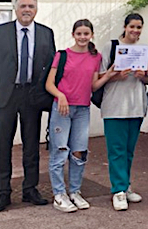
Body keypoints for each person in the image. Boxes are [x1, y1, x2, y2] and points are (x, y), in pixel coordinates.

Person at [0, 0, 57, 212]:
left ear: (36, 10)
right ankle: (3, 192)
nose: (27, 9)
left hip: (32, 96)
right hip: (5, 96)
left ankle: (30, 189)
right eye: (23, 6)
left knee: (31, 145)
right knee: (3, 146)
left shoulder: (45, 33)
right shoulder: (1, 32)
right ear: (16, 9)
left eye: (31, 6)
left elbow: (52, 67)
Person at [92, 13, 148, 211]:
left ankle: (125, 186)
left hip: (136, 105)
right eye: (132, 27)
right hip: (114, 106)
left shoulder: (145, 50)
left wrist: (143, 75)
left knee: (129, 150)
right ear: (125, 27)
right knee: (116, 150)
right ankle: (118, 190)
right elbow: (100, 76)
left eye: (139, 27)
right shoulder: (111, 47)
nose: (135, 31)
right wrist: (115, 75)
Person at [44, 19, 103, 213]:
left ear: (91, 35)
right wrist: (60, 95)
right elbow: (49, 84)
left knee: (79, 152)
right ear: (73, 35)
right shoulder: (61, 56)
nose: (83, 37)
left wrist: (110, 74)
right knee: (59, 151)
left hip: (83, 110)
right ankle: (59, 194)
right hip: (62, 110)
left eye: (86, 34)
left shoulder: (96, 57)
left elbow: (93, 86)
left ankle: (75, 191)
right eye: (79, 34)